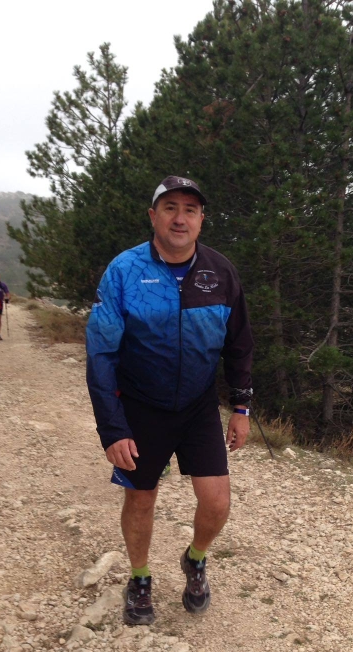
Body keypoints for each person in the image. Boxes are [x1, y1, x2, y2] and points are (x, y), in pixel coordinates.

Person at [86, 175, 253, 625]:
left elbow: (239, 343)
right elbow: (100, 353)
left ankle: (195, 558)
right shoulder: (124, 270)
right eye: (171, 208)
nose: (180, 218)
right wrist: (112, 428)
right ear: (153, 216)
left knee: (217, 502)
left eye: (190, 210)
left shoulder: (220, 272)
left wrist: (241, 407)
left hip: (198, 407)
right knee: (141, 499)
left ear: (201, 219)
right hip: (141, 406)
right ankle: (140, 578)